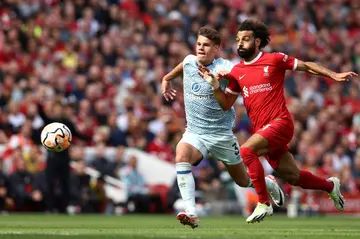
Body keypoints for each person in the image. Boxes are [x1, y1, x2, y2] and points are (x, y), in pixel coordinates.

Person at [198, 19, 358, 223]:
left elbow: (307, 66)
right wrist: (214, 86)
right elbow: (226, 103)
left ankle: (263, 202)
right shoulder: (236, 72)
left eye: (245, 39)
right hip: (263, 131)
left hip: (281, 123)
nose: (240, 43)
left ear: (257, 42)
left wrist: (333, 74)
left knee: (246, 151)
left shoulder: (274, 59)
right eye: (238, 39)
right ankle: (330, 186)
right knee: (294, 177)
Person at [161, 26, 285, 228]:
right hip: (195, 132)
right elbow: (178, 69)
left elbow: (244, 74)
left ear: (216, 48)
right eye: (199, 44)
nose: (201, 48)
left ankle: (268, 182)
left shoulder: (225, 68)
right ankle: (191, 213)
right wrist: (166, 79)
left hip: (221, 135)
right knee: (181, 154)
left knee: (243, 181)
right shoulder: (189, 61)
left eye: (206, 45)